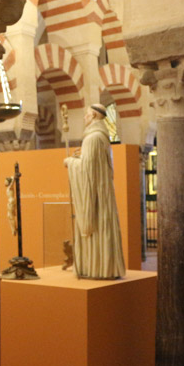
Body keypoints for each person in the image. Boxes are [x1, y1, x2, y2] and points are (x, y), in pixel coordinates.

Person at [63, 104, 126, 279]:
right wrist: (80, 158)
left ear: (94, 116)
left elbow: (87, 169)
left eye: (86, 115)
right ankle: (104, 267)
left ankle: (96, 268)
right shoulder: (102, 137)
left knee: (96, 226)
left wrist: (70, 162)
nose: (84, 118)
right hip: (102, 192)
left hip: (95, 196)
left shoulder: (92, 138)